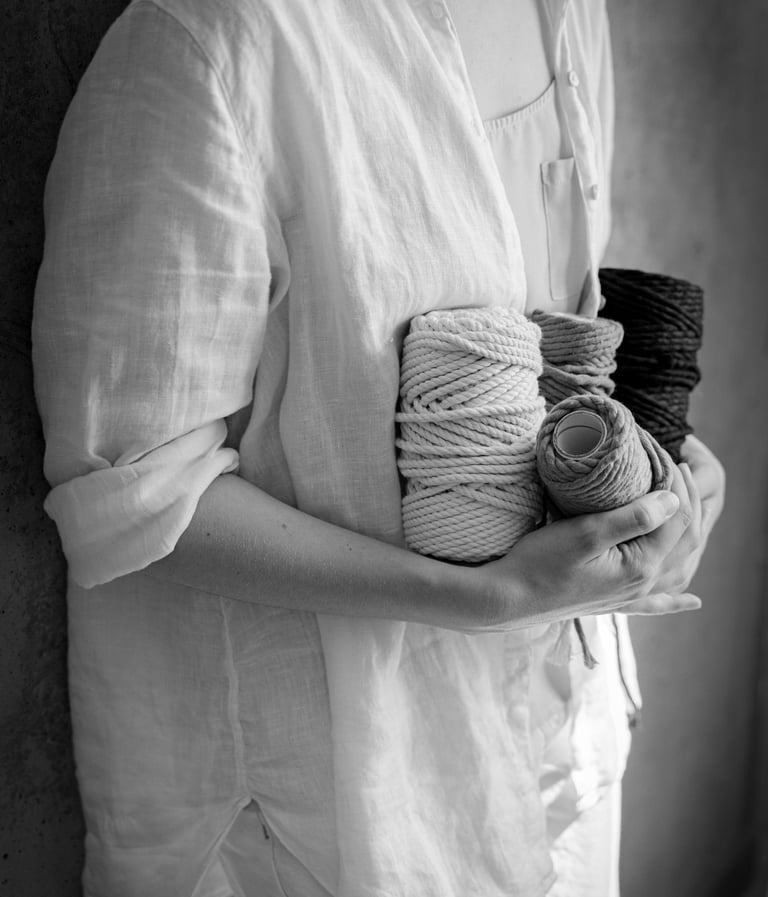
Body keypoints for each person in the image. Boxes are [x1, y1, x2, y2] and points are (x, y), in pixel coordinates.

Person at [32, 0, 725, 895]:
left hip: (564, 735)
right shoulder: (215, 38)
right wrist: (479, 597)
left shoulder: (570, 15)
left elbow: (548, 321)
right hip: (330, 800)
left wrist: (666, 473)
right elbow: (135, 487)